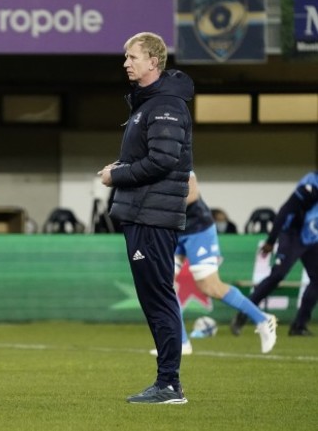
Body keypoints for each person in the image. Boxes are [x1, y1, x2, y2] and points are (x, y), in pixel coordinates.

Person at [99, 32, 193, 405]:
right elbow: (155, 156)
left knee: (158, 299)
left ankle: (169, 384)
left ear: (154, 60)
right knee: (155, 298)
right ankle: (167, 382)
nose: (126, 62)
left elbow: (163, 160)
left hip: (154, 215)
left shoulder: (165, 104)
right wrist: (121, 167)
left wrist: (116, 175)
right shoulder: (148, 104)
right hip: (144, 213)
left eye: (132, 56)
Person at [149, 172, 277, 356]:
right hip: (174, 231)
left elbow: (192, 195)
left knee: (211, 287)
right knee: (164, 285)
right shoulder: (149, 166)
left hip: (197, 229)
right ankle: (181, 342)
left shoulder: (178, 158)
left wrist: (160, 206)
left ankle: (263, 319)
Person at [231, 171, 318, 337]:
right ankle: (243, 313)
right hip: (293, 235)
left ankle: (299, 326)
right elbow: (285, 211)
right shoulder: (311, 183)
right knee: (277, 275)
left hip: (313, 238)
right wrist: (271, 240)